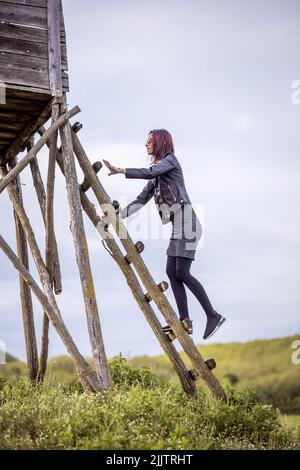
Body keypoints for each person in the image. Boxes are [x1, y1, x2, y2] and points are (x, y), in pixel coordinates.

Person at [102, 129, 225, 340]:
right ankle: (185, 321)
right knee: (172, 271)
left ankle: (213, 316)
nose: (146, 145)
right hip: (179, 226)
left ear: (159, 142)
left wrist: (121, 170)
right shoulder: (157, 175)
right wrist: (116, 216)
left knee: (182, 273)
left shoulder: (170, 160)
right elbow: (140, 200)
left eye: (149, 141)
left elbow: (150, 172)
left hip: (188, 222)